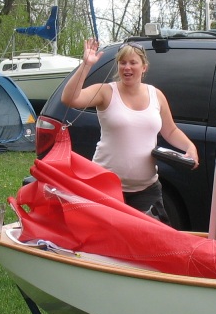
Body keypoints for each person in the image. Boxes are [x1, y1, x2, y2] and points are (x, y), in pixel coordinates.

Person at [61, 38, 199, 224]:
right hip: (105, 187)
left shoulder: (156, 95)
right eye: (122, 63)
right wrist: (86, 65)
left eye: (133, 62)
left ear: (144, 67)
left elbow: (171, 130)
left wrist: (190, 147)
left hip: (147, 189)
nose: (127, 67)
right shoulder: (105, 92)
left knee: (148, 244)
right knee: (106, 244)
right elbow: (70, 98)